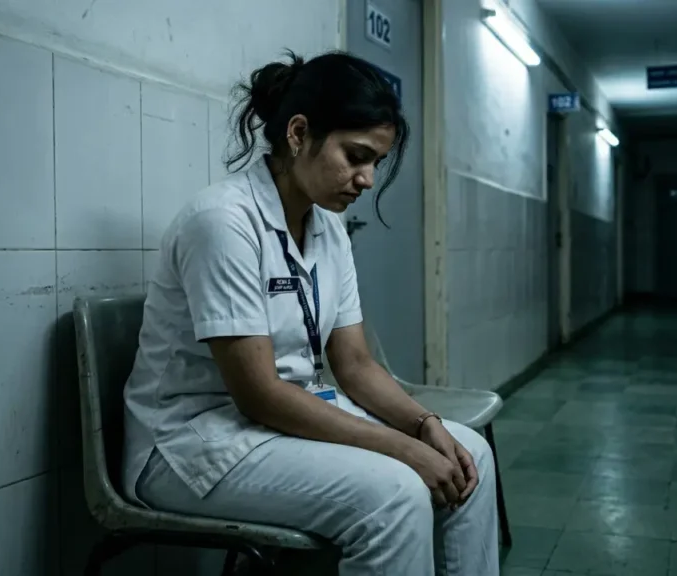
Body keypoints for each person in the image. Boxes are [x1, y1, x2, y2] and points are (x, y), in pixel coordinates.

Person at [120, 51, 500, 576]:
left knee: (470, 452)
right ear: (298, 134)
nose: (366, 179)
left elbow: (356, 365)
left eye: (376, 163)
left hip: (276, 422)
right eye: (356, 156)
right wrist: (403, 450)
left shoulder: (328, 228)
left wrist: (424, 424)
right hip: (191, 445)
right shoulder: (222, 222)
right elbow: (259, 393)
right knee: (394, 494)